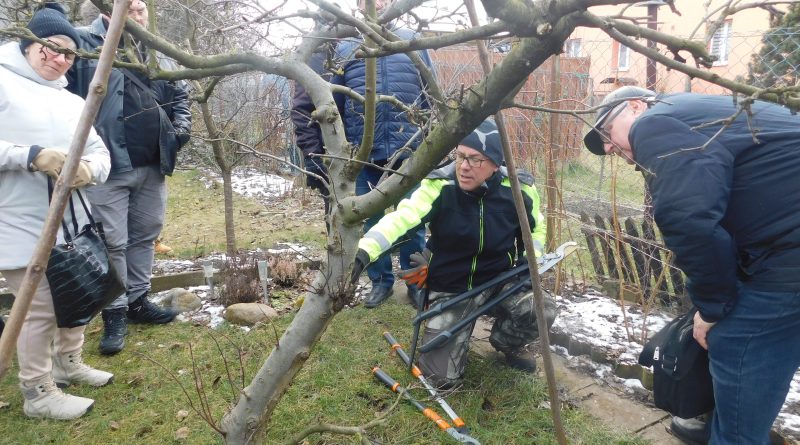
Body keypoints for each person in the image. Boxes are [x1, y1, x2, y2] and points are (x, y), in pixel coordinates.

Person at [583, 86, 800, 445]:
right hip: (784, 244)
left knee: (734, 341)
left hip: (787, 257)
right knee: (769, 351)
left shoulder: (655, 122)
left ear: (636, 106)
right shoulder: (697, 111)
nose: (608, 148)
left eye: (607, 133)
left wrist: (713, 308)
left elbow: (690, 220)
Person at [352, 119, 552, 388]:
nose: (464, 166)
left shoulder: (520, 189)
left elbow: (536, 230)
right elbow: (401, 219)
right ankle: (453, 337)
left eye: (475, 159)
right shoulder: (439, 186)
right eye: (460, 156)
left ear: (495, 164)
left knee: (540, 307)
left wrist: (530, 261)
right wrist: (363, 252)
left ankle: (507, 343)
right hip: (452, 286)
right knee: (440, 380)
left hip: (499, 281)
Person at [0, 3, 112, 419]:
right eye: (50, 47)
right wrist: (29, 156)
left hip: (70, 221)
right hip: (14, 216)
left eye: (68, 52)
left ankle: (68, 362)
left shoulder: (70, 98)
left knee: (79, 292)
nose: (59, 58)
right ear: (29, 44)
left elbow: (101, 152)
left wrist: (89, 170)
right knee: (40, 304)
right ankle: (38, 390)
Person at [67, 0, 192, 355]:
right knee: (113, 240)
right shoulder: (85, 45)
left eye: (141, 10)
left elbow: (179, 93)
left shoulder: (152, 48)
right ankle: (115, 312)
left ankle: (138, 300)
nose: (136, 16)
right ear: (108, 9)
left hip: (152, 164)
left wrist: (179, 130)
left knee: (145, 235)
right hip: (108, 166)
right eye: (129, 9)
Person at [332, 0, 431, 308]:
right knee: (370, 221)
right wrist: (344, 143)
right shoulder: (347, 47)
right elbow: (335, 99)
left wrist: (425, 137)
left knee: (412, 219)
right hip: (365, 152)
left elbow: (430, 90)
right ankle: (381, 281)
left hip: (407, 150)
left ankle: (415, 281)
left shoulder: (411, 40)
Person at [291, 43, 336, 223]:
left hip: (363, 150)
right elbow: (302, 111)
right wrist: (313, 157)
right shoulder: (316, 57)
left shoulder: (357, 49)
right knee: (337, 219)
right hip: (330, 155)